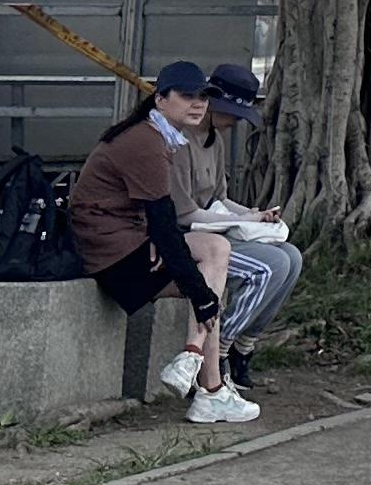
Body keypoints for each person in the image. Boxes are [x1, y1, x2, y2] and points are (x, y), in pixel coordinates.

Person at [69, 62, 257, 425]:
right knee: (213, 264)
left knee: (215, 265)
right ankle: (203, 376)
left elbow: (158, 225)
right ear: (160, 98)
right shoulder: (146, 141)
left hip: (125, 243)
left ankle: (206, 383)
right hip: (111, 256)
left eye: (204, 96)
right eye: (187, 96)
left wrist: (201, 293)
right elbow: (165, 225)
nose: (198, 104)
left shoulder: (161, 136)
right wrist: (200, 297)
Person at [163, 61, 304, 399]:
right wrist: (244, 222)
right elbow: (186, 213)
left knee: (293, 258)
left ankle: (245, 344)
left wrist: (256, 215)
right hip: (189, 235)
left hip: (216, 228)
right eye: (231, 114)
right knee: (272, 266)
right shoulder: (180, 144)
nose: (233, 123)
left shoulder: (216, 143)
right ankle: (222, 346)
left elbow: (220, 199)